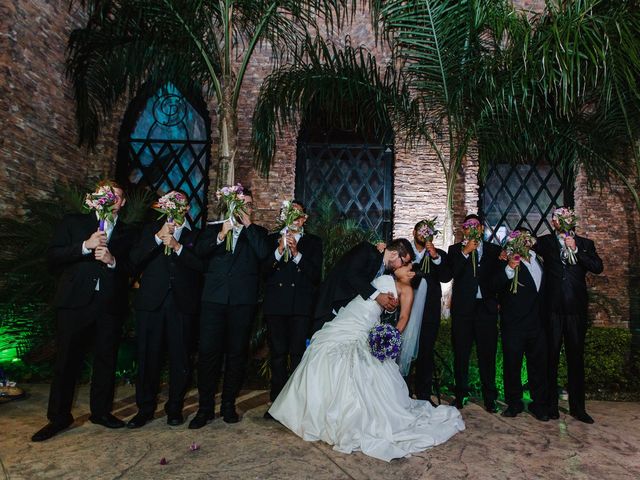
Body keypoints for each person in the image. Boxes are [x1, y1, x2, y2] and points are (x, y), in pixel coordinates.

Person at [268, 264, 465, 462]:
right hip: (352, 317)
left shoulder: (405, 290)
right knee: (323, 352)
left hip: (366, 325)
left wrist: (391, 336)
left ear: (410, 274)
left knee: (356, 364)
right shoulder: (381, 273)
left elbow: (404, 317)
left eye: (406, 266)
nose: (401, 267)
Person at [32, 181, 134, 442]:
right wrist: (84, 246)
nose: (111, 199)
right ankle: (58, 418)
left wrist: (113, 262)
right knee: (67, 362)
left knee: (106, 361)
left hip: (109, 306)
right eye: (105, 195)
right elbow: (53, 257)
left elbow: (133, 269)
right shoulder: (73, 222)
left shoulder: (129, 232)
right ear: (94, 199)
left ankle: (100, 412)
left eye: (117, 196)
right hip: (75, 303)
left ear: (122, 203)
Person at [189, 188, 270, 428]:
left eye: (248, 204)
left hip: (242, 303)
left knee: (236, 354)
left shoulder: (257, 233)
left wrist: (248, 226)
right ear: (229, 205)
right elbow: (200, 252)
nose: (245, 207)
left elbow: (264, 254)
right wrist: (221, 235)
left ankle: (228, 406)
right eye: (240, 203)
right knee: (208, 355)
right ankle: (204, 409)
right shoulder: (213, 229)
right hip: (213, 301)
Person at [127, 199, 203, 428]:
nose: (175, 207)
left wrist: (178, 247)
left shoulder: (196, 235)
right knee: (148, 357)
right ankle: (145, 409)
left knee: (180, 359)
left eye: (180, 203)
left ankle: (174, 408)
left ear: (187, 209)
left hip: (182, 305)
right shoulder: (149, 230)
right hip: (152, 303)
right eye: (170, 202)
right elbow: (133, 262)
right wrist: (158, 238)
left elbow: (202, 267)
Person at [536, 208, 603, 423]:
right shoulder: (545, 242)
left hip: (575, 311)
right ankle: (551, 407)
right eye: (557, 219)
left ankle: (578, 408)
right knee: (551, 360)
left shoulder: (585, 243)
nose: (560, 222)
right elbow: (526, 245)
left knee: (576, 360)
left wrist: (577, 250)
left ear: (572, 221)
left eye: (564, 218)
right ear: (553, 223)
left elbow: (597, 267)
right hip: (553, 310)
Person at [262, 201, 323, 418]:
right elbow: (263, 271)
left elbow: (316, 276)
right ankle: (277, 403)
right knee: (277, 355)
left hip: (301, 306)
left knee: (298, 354)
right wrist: (279, 250)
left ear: (304, 219)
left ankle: (295, 404)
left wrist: (297, 254)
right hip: (276, 305)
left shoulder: (314, 242)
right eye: (289, 214)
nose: (294, 219)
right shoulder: (270, 240)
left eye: (298, 215)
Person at [447, 214, 501, 412]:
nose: (471, 229)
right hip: (463, 310)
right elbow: (450, 274)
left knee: (487, 355)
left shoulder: (494, 250)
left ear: (480, 229)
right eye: (468, 226)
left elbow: (499, 278)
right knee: (461, 353)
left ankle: (490, 398)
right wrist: (465, 253)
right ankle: (460, 394)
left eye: (475, 226)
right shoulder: (455, 250)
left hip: (486, 309)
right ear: (464, 230)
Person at [496, 229, 548, 421]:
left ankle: (539, 405)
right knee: (512, 366)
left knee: (538, 366)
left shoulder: (540, 260)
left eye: (527, 238)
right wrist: (509, 269)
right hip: (514, 324)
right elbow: (495, 285)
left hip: (538, 324)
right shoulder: (507, 260)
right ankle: (514, 403)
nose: (524, 241)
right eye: (519, 238)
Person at [399, 222, 452, 405]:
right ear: (414, 232)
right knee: (403, 351)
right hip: (405, 309)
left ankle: (423, 395)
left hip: (429, 312)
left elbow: (446, 277)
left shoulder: (439, 255)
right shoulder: (404, 252)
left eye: (427, 231)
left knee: (426, 352)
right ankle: (401, 393)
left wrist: (435, 256)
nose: (423, 234)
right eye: (420, 230)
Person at [313, 238, 414, 333]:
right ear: (394, 254)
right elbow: (352, 274)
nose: (401, 266)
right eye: (403, 262)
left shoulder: (387, 273)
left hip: (352, 318)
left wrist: (389, 306)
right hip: (332, 305)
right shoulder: (366, 250)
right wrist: (378, 296)